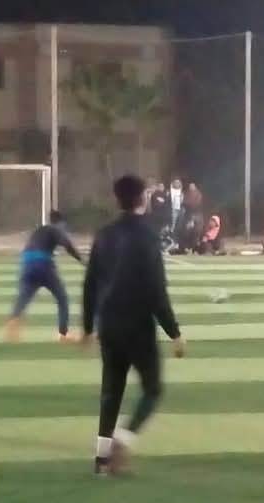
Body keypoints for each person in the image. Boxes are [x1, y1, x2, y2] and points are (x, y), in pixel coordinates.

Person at [82, 174, 185, 476]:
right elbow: (156, 290)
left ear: (118, 200)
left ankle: (101, 459)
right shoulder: (148, 235)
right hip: (138, 326)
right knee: (153, 389)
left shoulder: (104, 234)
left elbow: (90, 284)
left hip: (109, 325)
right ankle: (124, 439)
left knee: (111, 392)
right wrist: (175, 332)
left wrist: (88, 327)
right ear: (142, 198)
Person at [5, 210, 83, 343]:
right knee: (62, 298)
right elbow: (67, 245)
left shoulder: (39, 230)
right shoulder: (56, 229)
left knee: (23, 297)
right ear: (61, 223)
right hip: (43, 263)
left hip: (26, 263)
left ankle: (13, 320)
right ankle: (63, 334)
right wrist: (82, 260)